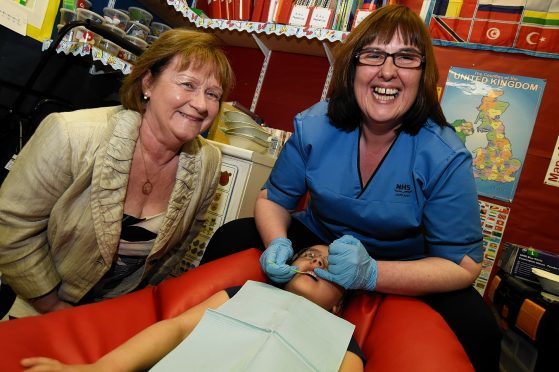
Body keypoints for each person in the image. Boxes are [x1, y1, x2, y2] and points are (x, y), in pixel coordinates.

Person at [200, 5, 501, 372]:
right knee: (233, 237)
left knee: (478, 327)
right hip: (319, 237)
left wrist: (372, 274)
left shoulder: (445, 155)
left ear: (423, 73)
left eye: (406, 57)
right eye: (373, 54)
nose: (387, 71)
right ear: (353, 66)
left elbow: (464, 265)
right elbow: (273, 199)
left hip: (401, 262)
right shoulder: (315, 126)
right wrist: (278, 242)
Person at [0, 29, 234, 317]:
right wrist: (51, 306)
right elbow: (10, 225)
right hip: (37, 304)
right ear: (148, 82)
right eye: (187, 84)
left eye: (212, 94)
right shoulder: (71, 134)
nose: (200, 104)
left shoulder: (208, 162)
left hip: (117, 316)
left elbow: (177, 251)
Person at [20, 244, 364, 371]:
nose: (315, 263)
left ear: (339, 306)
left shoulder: (343, 341)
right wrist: (98, 369)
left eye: (330, 266)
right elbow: (178, 328)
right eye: (309, 256)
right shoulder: (245, 292)